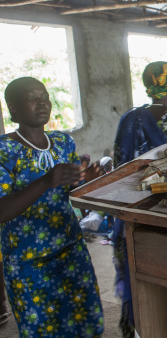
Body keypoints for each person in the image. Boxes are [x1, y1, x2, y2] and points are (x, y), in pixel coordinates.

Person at [0, 77, 104, 337]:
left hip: (70, 250)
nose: (42, 103)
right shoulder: (4, 150)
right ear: (13, 108)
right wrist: (47, 180)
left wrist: (88, 180)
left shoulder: (63, 142)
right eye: (31, 98)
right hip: (28, 262)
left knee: (86, 321)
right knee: (44, 329)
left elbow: (71, 192)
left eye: (44, 97)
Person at [113, 61, 167, 337]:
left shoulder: (128, 119)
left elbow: (119, 167)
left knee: (138, 275)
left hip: (133, 207)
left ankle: (139, 327)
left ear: (149, 87)